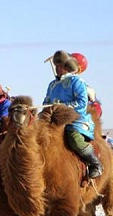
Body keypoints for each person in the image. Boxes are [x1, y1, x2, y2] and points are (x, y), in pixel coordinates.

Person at [43, 50, 102, 178]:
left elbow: (81, 102)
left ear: (67, 66)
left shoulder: (77, 82)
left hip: (75, 120)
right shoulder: (52, 85)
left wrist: (63, 107)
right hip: (55, 121)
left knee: (74, 139)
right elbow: (46, 102)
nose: (57, 68)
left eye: (60, 65)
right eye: (56, 65)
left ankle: (95, 163)